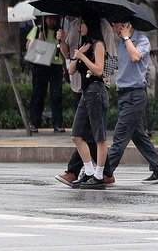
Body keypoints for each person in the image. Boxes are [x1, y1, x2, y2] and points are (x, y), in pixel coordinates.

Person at [97, 19, 158, 183]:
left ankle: (104, 173)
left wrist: (127, 39)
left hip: (135, 95)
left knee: (119, 137)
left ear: (127, 25)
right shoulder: (120, 45)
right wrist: (102, 73)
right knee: (139, 137)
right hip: (123, 95)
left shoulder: (142, 41)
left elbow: (136, 57)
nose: (115, 29)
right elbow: (114, 65)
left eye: (117, 25)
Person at [67, 16, 109, 189]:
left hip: (96, 90)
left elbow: (99, 70)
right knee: (76, 135)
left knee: (99, 136)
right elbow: (70, 70)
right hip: (86, 93)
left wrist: (83, 57)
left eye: (82, 23)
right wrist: (78, 56)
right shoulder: (83, 46)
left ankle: (99, 175)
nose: (79, 27)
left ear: (90, 25)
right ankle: (89, 171)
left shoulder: (98, 45)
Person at [27, 15, 65, 133]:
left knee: (57, 94)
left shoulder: (60, 32)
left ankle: (58, 123)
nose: (51, 21)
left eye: (53, 18)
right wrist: (38, 40)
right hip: (40, 64)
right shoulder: (38, 29)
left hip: (55, 64)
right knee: (38, 94)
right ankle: (34, 122)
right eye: (48, 18)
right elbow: (28, 46)